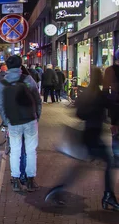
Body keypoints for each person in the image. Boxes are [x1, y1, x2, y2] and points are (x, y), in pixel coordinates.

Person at [46, 67, 119, 211]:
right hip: (93, 137)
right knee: (106, 163)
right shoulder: (100, 94)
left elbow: (78, 112)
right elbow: (114, 106)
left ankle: (58, 190)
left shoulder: (89, 92)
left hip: (89, 135)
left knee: (81, 167)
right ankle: (108, 196)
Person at [0, 55, 42, 193]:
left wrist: (6, 121)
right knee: (31, 150)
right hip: (30, 120)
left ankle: (15, 180)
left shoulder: (2, 83)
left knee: (15, 151)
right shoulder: (27, 79)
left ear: (7, 66)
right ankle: (30, 180)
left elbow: (0, 104)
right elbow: (37, 99)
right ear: (20, 65)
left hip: (14, 121)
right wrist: (36, 116)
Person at [103, 49, 119, 163]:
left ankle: (117, 156)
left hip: (115, 104)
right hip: (115, 103)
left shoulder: (110, 70)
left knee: (115, 129)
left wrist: (108, 103)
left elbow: (105, 89)